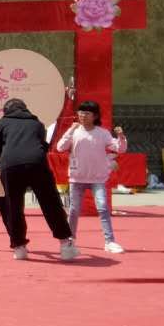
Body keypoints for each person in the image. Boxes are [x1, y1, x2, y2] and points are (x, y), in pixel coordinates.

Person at [0, 98, 78, 261]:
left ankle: (19, 248)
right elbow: (43, 145)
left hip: (11, 165)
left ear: (6, 110)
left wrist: (0, 164)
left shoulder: (0, 124)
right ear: (25, 108)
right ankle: (66, 244)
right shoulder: (36, 124)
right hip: (37, 163)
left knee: (14, 206)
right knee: (51, 203)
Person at [56, 100, 127, 254]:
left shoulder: (103, 133)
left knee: (102, 208)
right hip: (77, 177)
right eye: (81, 112)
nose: (82, 115)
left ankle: (109, 241)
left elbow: (119, 149)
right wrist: (70, 130)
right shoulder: (74, 131)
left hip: (97, 178)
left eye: (87, 113)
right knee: (74, 211)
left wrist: (121, 136)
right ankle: (70, 239)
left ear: (95, 116)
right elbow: (60, 147)